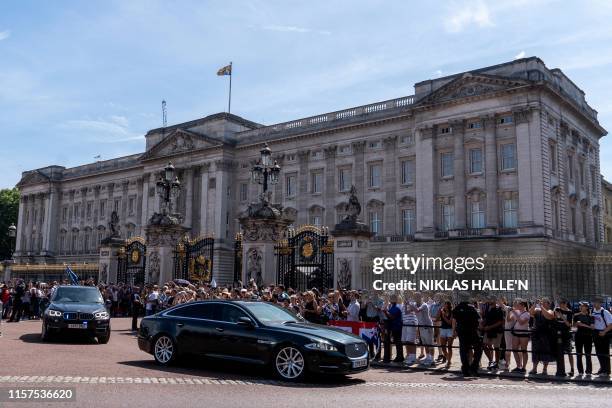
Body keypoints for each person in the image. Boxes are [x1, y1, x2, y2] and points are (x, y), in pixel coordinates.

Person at [452, 293, 483, 377]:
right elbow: (479, 319)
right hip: (472, 331)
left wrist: (453, 331)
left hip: (462, 332)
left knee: (463, 351)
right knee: (478, 349)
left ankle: (465, 369)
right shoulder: (471, 307)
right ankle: (474, 367)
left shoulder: (457, 308)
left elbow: (454, 321)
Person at [529, 298, 555, 375]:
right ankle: (534, 368)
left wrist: (541, 306)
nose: (542, 303)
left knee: (545, 352)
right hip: (536, 333)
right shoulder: (537, 310)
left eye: (544, 302)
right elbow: (530, 312)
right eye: (542, 302)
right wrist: (534, 304)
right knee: (535, 352)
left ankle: (544, 369)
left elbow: (548, 316)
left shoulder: (550, 311)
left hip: (546, 334)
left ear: (548, 304)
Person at [482, 295, 504, 371]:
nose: (489, 301)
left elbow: (500, 322)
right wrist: (482, 324)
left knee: (496, 348)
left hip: (497, 331)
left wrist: (490, 327)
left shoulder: (499, 309)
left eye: (490, 299)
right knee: (484, 345)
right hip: (488, 330)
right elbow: (485, 319)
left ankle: (496, 363)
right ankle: (491, 360)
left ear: (494, 300)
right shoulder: (488, 309)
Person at [591, 297, 612, 376]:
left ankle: (606, 371)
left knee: (605, 353)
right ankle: (602, 368)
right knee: (598, 352)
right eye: (594, 302)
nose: (594, 304)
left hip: (604, 333)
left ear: (600, 303)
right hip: (596, 333)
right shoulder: (592, 311)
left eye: (596, 302)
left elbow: (611, 324)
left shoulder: (605, 312)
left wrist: (604, 332)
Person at [508, 299, 530, 373]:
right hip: (516, 333)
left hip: (524, 333)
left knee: (524, 350)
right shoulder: (516, 312)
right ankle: (518, 366)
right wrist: (509, 312)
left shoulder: (527, 314)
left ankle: (524, 367)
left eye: (519, 305)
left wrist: (515, 313)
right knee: (514, 349)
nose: (517, 306)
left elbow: (521, 322)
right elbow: (508, 320)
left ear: (523, 306)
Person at [554, 299, 574, 376]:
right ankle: (560, 369)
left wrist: (562, 316)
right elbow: (555, 319)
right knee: (559, 352)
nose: (561, 305)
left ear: (566, 304)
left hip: (566, 334)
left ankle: (572, 369)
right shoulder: (557, 309)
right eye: (560, 303)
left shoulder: (569, 312)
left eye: (563, 304)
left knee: (569, 352)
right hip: (558, 334)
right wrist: (555, 314)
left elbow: (569, 324)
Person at [573, 301, 594, 376]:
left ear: (586, 307)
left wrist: (582, 324)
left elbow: (592, 327)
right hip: (578, 337)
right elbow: (573, 327)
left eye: (583, 306)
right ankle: (580, 371)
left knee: (588, 354)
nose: (581, 307)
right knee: (579, 354)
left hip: (588, 337)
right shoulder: (576, 316)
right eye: (580, 306)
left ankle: (588, 371)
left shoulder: (591, 317)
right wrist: (576, 324)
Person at [383, 294, 404, 363]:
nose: (391, 299)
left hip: (397, 327)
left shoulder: (397, 307)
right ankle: (399, 356)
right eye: (391, 298)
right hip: (393, 327)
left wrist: (385, 311)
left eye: (393, 298)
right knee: (396, 342)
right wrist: (386, 312)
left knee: (398, 342)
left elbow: (392, 317)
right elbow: (389, 316)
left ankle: (400, 357)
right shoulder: (392, 307)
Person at [438, 300, 454, 369]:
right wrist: (439, 312)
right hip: (443, 329)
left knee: (449, 346)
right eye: (444, 304)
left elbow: (449, 322)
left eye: (446, 304)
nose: (444, 306)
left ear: (449, 306)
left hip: (450, 330)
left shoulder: (452, 312)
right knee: (443, 346)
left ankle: (449, 361)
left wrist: (444, 316)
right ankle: (448, 359)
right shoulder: (442, 312)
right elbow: (436, 319)